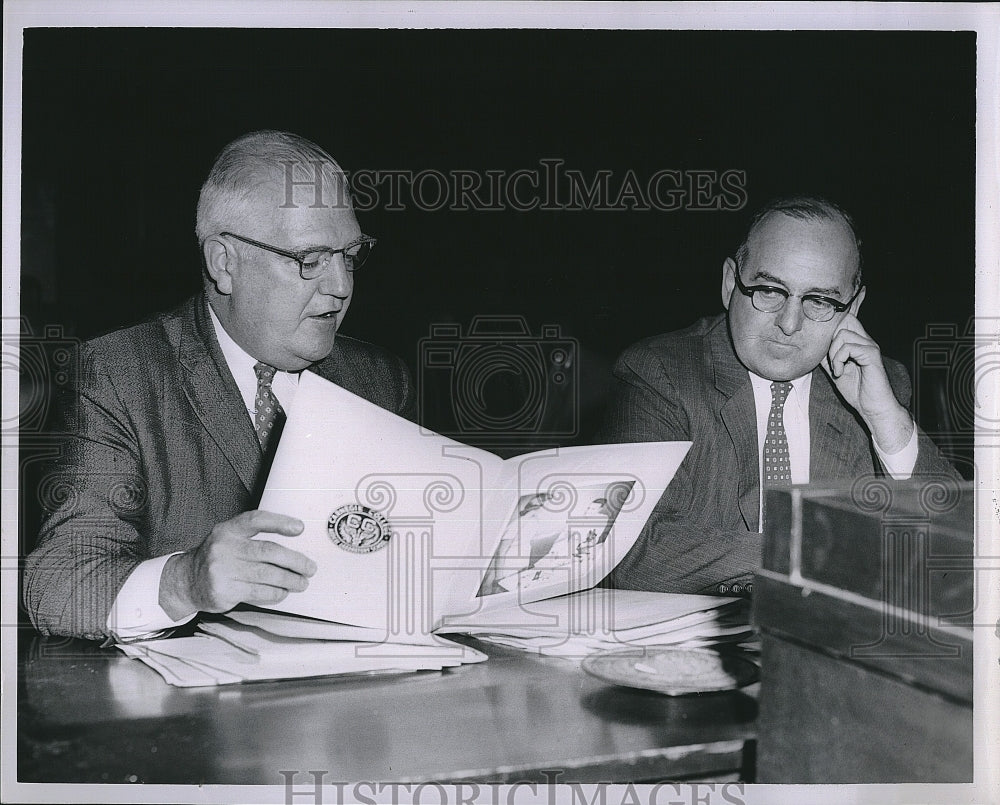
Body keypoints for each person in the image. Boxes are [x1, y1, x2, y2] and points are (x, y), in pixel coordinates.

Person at [24, 130, 415, 640]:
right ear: (223, 263)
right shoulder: (118, 375)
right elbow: (57, 586)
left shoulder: (379, 381)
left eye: (350, 255)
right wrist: (186, 581)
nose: (341, 286)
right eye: (310, 260)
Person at [598, 195, 960, 595]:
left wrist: (886, 423)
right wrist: (815, 555)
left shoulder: (881, 384)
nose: (789, 324)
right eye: (770, 290)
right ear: (730, 283)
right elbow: (635, 554)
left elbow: (958, 553)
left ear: (852, 308)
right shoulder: (660, 373)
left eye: (819, 300)